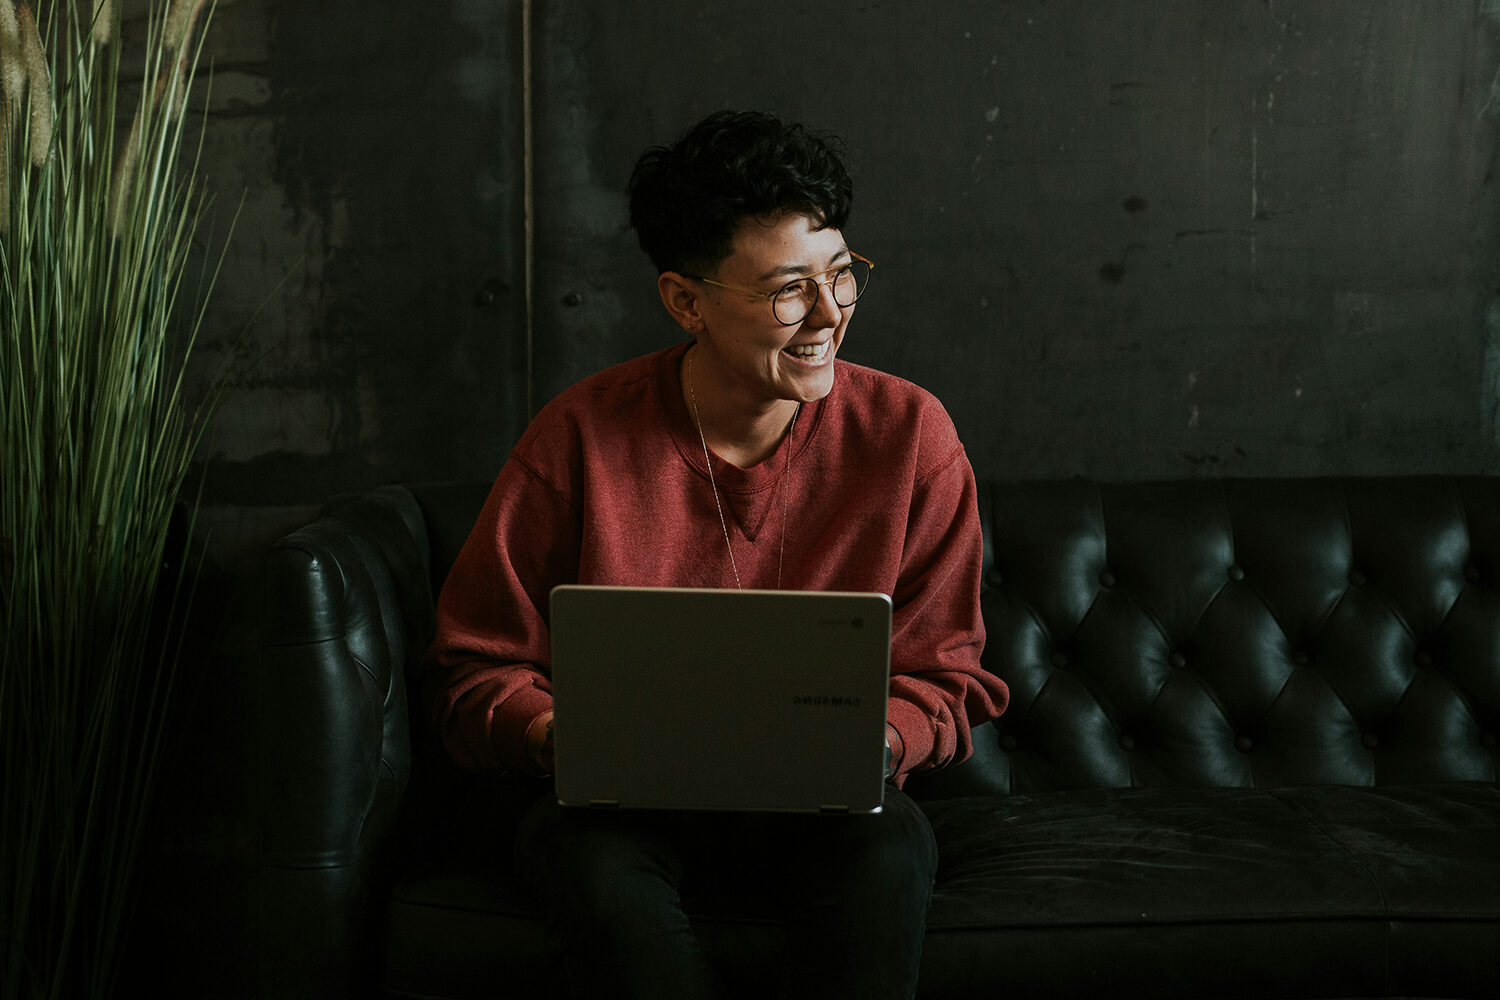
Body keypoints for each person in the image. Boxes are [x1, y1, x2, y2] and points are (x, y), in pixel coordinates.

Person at [427, 109, 1009, 999]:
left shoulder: (908, 435)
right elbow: (477, 667)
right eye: (787, 289)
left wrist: (876, 744)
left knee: (888, 854)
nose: (827, 313)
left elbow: (947, 674)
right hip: (623, 816)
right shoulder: (579, 436)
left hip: (836, 816)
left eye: (842, 274)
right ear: (684, 301)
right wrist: (555, 737)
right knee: (583, 861)